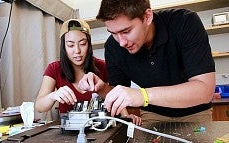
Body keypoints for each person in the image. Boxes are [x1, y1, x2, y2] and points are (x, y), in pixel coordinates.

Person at [78, 0, 216, 122]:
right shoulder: (113, 48)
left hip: (195, 113)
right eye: (113, 33)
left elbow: (205, 89)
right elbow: (118, 92)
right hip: (152, 115)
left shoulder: (185, 22)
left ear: (147, 17)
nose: (121, 42)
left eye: (126, 31)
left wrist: (143, 95)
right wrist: (102, 88)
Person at [35, 19, 142, 125]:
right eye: (70, 45)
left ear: (89, 45)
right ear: (63, 47)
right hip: (70, 131)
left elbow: (116, 94)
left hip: (100, 128)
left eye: (82, 44)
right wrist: (53, 95)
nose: (77, 51)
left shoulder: (103, 66)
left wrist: (126, 116)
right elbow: (39, 106)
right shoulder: (54, 68)